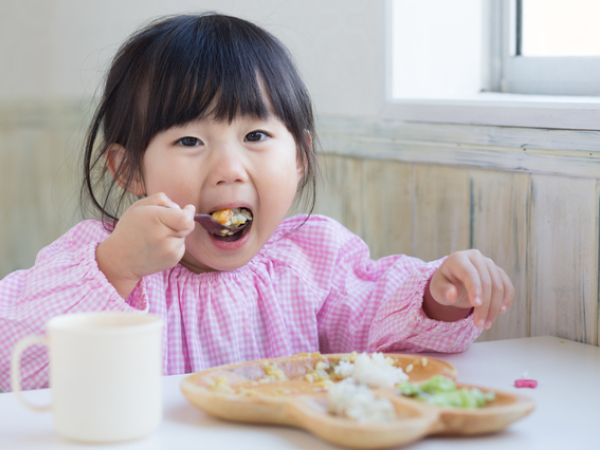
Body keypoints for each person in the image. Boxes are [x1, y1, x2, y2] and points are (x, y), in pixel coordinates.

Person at [0, 14, 513, 391]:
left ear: (299, 159)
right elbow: (12, 362)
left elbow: (389, 338)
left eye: (257, 135)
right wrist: (116, 269)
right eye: (189, 141)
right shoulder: (101, 258)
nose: (228, 168)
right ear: (129, 168)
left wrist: (438, 297)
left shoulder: (313, 262)